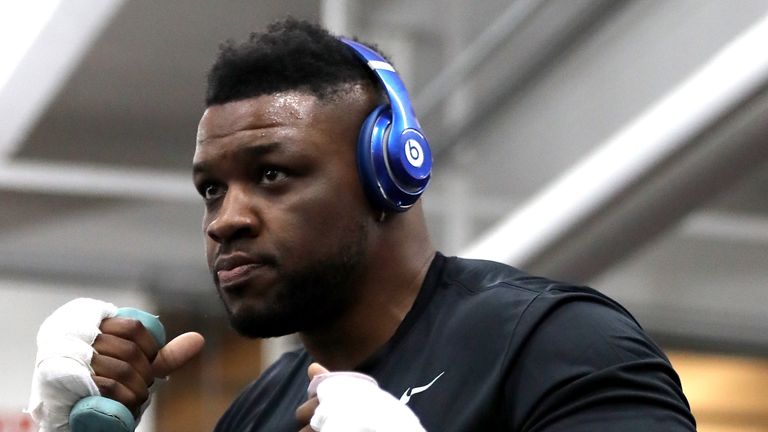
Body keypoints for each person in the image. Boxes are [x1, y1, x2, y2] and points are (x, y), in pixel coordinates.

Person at [28, 18, 697, 432]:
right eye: (211, 188)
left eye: (271, 175)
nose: (225, 220)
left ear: (390, 170)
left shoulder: (554, 345)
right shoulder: (257, 413)